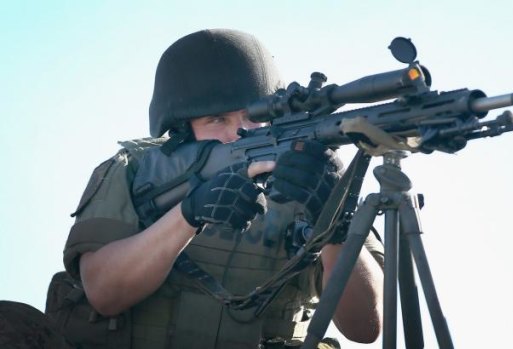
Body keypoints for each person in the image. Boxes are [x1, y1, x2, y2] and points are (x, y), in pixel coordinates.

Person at [59, 28, 384, 349]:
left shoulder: (313, 178)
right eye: (216, 120)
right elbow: (104, 293)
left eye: (252, 117)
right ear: (182, 130)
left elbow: (365, 327)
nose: (238, 134)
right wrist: (189, 214)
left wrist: (335, 226)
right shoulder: (135, 170)